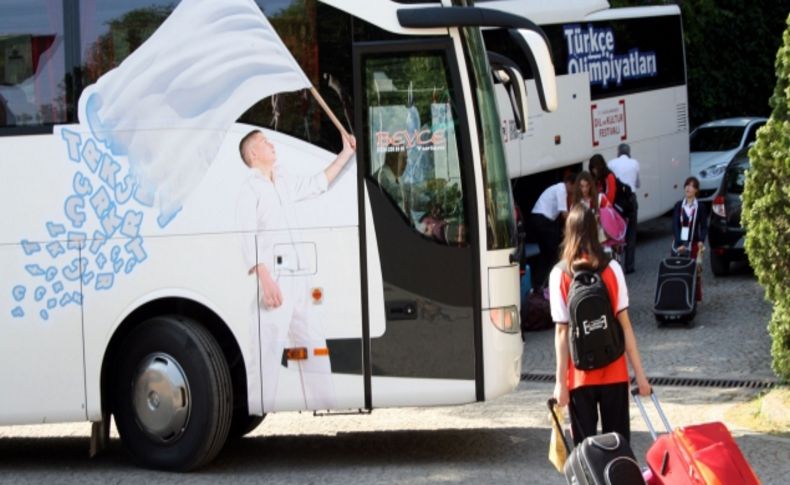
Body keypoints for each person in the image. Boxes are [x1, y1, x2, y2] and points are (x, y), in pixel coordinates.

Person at [236, 128, 356, 412]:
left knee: (313, 346)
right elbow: (246, 235)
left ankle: (326, 408)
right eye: (265, 142)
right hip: (274, 281)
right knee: (267, 353)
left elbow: (318, 183)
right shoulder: (250, 189)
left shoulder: (284, 181)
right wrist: (265, 280)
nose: (271, 145)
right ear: (253, 154)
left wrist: (346, 153)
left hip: (300, 277)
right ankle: (257, 411)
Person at [550, 204, 651, 445]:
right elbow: (625, 325)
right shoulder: (612, 268)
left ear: (569, 231)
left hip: (579, 377)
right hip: (614, 371)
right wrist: (640, 376)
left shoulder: (560, 274)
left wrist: (560, 383)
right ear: (595, 230)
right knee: (618, 448)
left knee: (587, 452)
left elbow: (562, 332)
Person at [530, 174, 575, 285]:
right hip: (543, 220)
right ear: (570, 183)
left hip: (539, 219)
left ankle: (540, 282)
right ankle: (548, 281)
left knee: (546, 254)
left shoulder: (558, 188)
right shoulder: (561, 190)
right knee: (552, 253)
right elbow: (564, 214)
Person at [672, 176, 709, 302]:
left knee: (694, 272)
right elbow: (675, 226)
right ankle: (679, 297)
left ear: (696, 190)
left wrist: (701, 240)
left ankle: (692, 298)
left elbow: (704, 227)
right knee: (678, 271)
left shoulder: (700, 207)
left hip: (693, 243)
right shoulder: (678, 206)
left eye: (692, 186)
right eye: (687, 185)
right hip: (679, 244)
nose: (688, 188)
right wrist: (679, 244)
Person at [608, 143, 640, 274]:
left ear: (618, 152)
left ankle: (616, 264)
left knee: (616, 234)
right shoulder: (635, 163)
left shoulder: (611, 163)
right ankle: (630, 266)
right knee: (631, 233)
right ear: (629, 152)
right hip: (631, 200)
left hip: (618, 202)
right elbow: (638, 183)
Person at [373, 146, 409, 214]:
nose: (405, 163)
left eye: (406, 159)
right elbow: (397, 192)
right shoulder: (382, 177)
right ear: (390, 159)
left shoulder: (398, 177)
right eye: (402, 158)